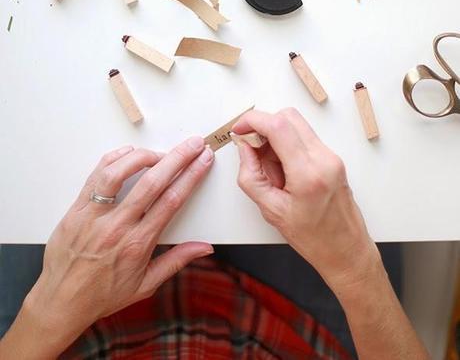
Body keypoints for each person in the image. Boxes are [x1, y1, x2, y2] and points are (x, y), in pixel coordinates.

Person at [0, 108, 430, 359]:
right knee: (364, 192)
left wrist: (51, 309)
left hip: (74, 334)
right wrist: (354, 266)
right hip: (288, 331)